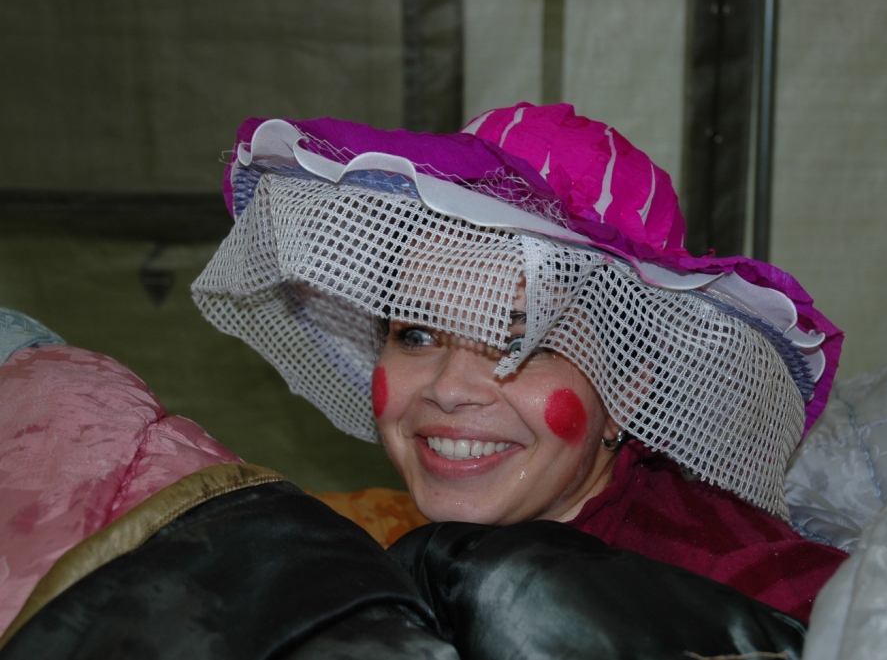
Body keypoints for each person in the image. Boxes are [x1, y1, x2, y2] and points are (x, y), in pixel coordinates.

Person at [192, 102, 847, 621]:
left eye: (520, 344)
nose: (449, 389)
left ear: (630, 387)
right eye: (416, 334)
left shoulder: (726, 581)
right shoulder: (402, 556)